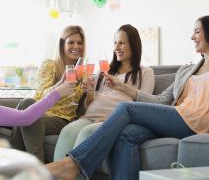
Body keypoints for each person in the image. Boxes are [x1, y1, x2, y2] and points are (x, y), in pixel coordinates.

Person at [46, 15, 209, 180]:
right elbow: (160, 101)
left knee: (125, 109)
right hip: (178, 115)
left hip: (200, 121)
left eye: (197, 31)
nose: (192, 36)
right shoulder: (186, 71)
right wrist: (124, 88)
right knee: (126, 134)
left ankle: (74, 165)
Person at [53, 24, 155, 161]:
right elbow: (89, 103)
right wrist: (89, 92)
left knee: (87, 133)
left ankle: (70, 172)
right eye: (115, 43)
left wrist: (121, 86)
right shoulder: (104, 73)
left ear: (133, 45)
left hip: (112, 119)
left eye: (122, 43)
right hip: (90, 116)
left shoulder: (145, 73)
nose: (116, 48)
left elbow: (145, 103)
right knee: (68, 131)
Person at [12, 25, 86, 162]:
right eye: (71, 42)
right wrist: (59, 87)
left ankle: (31, 168)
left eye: (80, 43)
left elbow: (86, 105)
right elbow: (41, 94)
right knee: (27, 105)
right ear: (62, 44)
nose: (76, 46)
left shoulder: (84, 73)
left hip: (62, 119)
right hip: (40, 111)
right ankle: (31, 169)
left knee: (27, 119)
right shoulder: (50, 65)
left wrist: (91, 90)